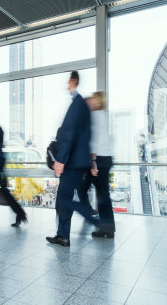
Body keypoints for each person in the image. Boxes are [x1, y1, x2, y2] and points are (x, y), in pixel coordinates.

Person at [46, 71, 101, 247]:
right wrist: (91, 162)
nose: (67, 84)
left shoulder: (78, 103)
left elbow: (69, 133)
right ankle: (62, 235)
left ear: (73, 81)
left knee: (65, 199)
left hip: (72, 162)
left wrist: (60, 160)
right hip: (78, 161)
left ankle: (90, 217)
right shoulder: (81, 106)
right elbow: (87, 135)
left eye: (68, 81)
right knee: (64, 197)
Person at [77, 92, 116, 238]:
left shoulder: (95, 116)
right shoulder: (103, 115)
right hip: (106, 158)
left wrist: (93, 162)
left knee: (96, 193)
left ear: (97, 101)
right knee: (102, 194)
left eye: (93, 98)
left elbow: (94, 139)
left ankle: (103, 226)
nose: (91, 100)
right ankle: (108, 227)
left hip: (98, 159)